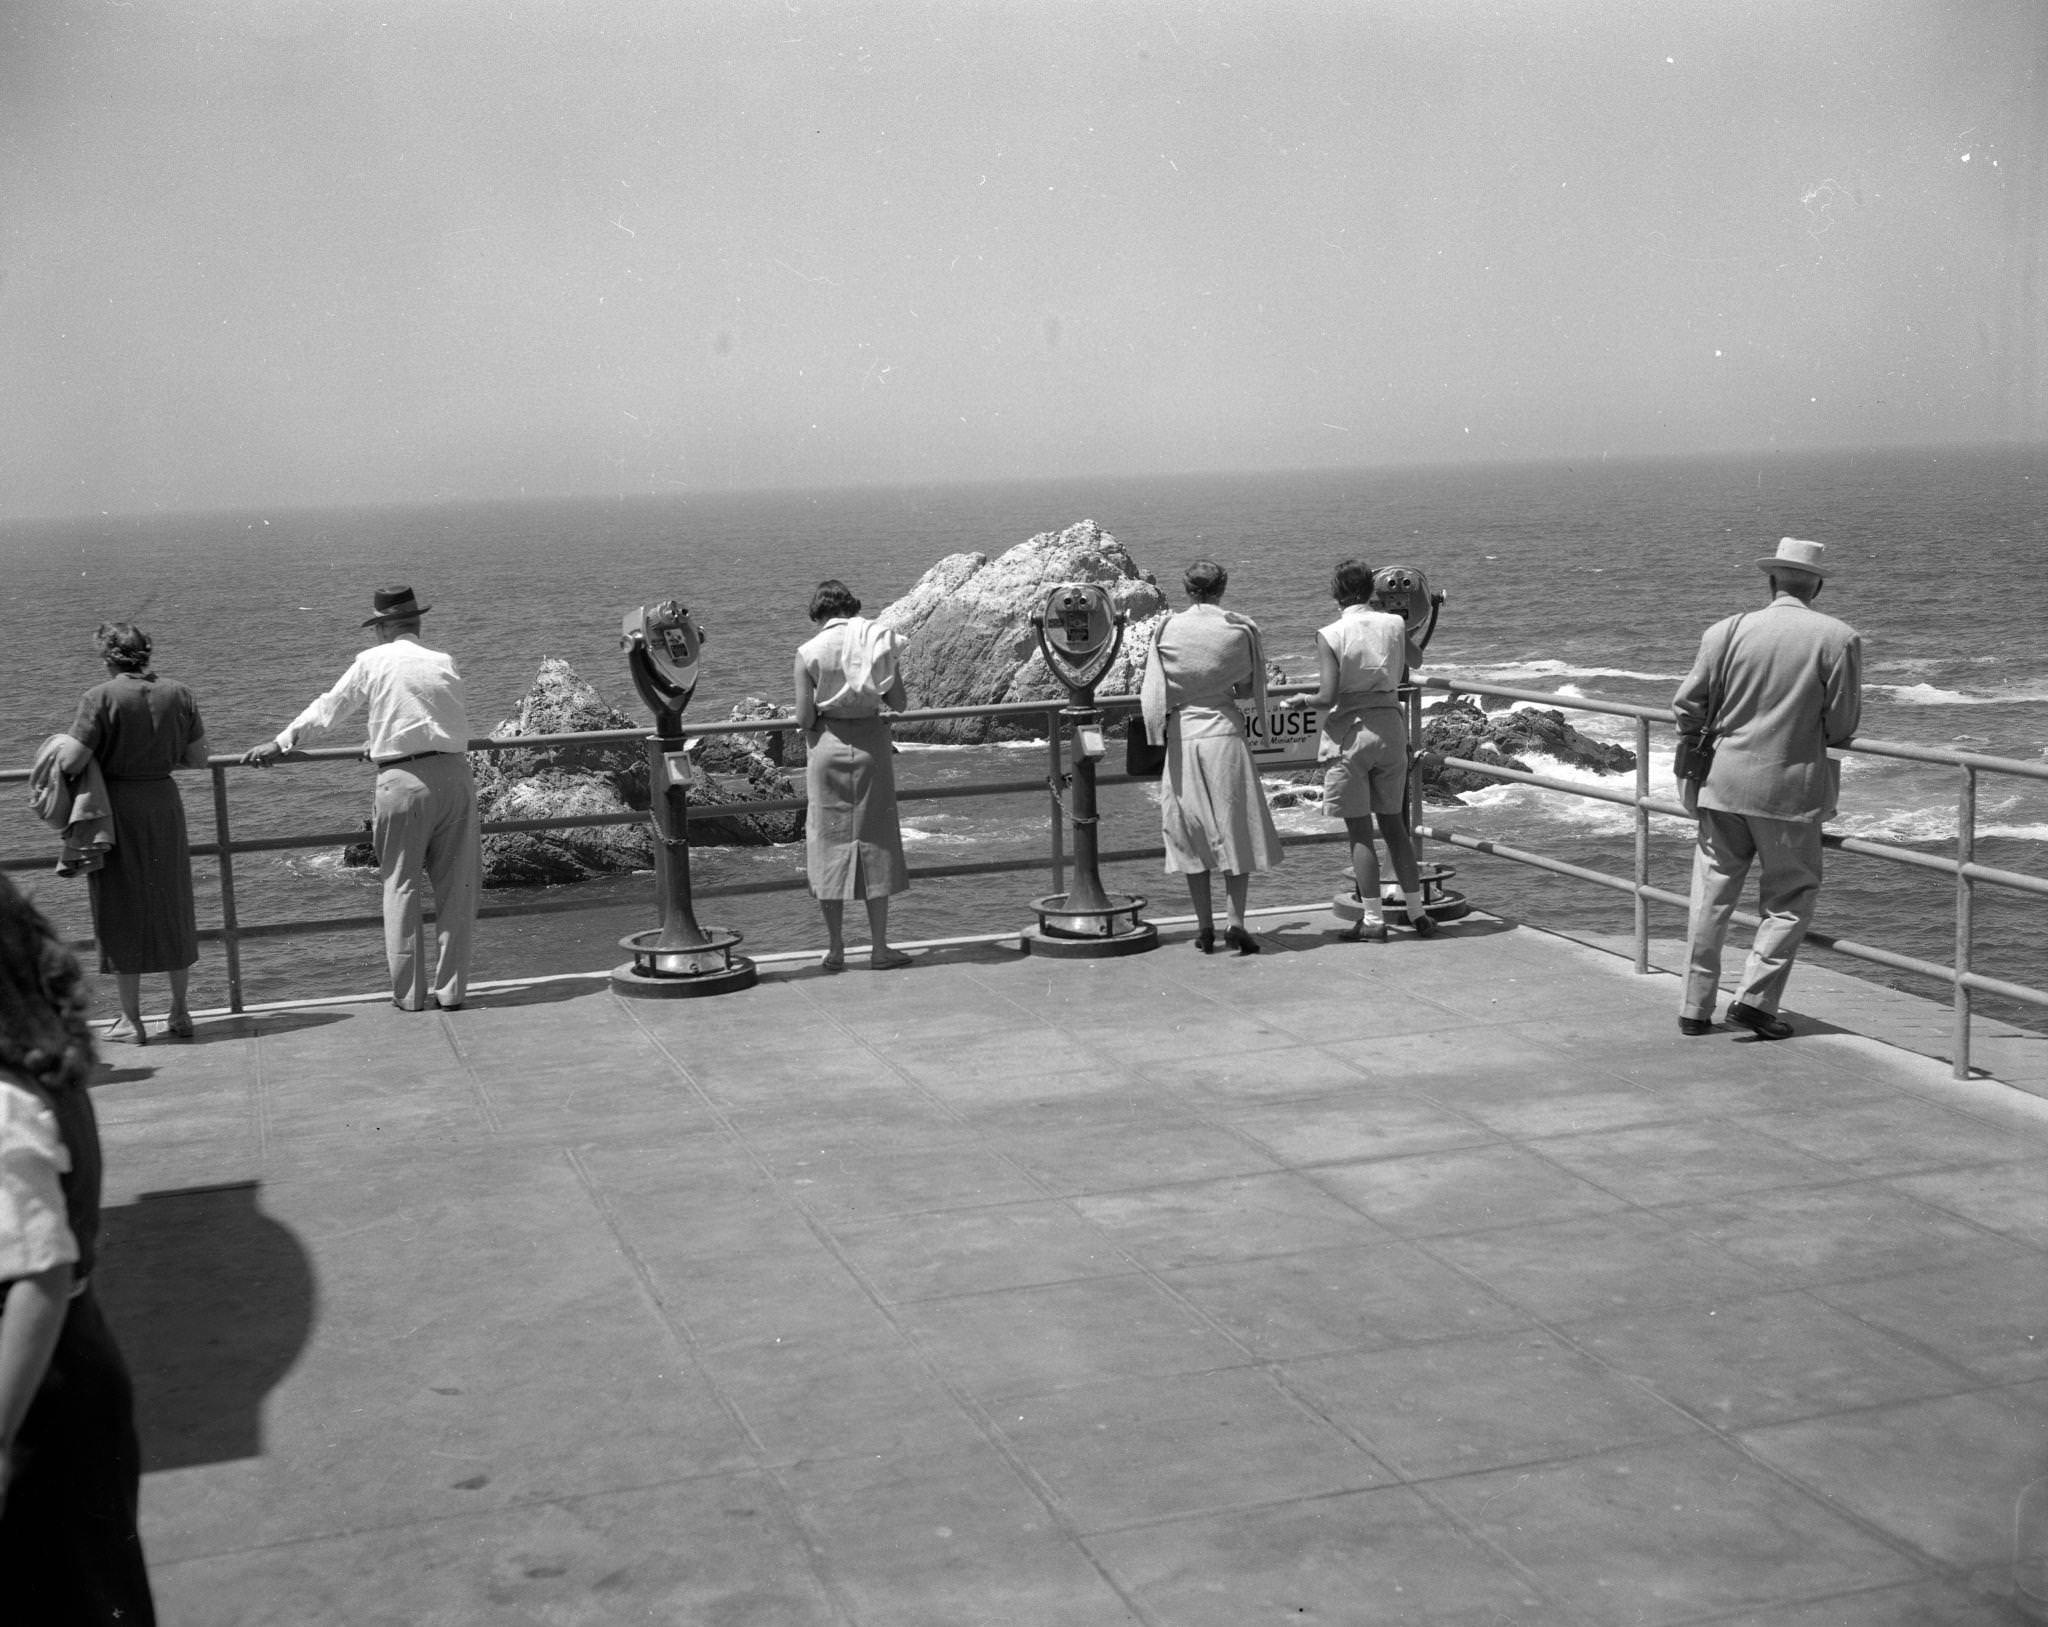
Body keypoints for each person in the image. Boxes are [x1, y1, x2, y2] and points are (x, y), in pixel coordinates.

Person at [0, 873, 158, 1624]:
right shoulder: (40, 1072)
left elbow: (39, 1268)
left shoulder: (5, 1101)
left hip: (44, 1398)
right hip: (81, 1373)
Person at [242, 586, 481, 1012]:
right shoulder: (443, 661)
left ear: (384, 626)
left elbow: (330, 708)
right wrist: (384, 739)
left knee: (402, 886)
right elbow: (433, 716)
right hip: (456, 776)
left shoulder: (371, 661)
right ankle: (452, 992)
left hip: (402, 781)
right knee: (457, 888)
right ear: (416, 622)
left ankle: (410, 996)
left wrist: (280, 743)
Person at [1674, 537, 1862, 1040]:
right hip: (1790, 790)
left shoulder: (1725, 631)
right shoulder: (1837, 638)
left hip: (1722, 784)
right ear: (1817, 584)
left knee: (1710, 899)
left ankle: (1694, 1007)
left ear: (1772, 580)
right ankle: (1755, 1001)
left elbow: (1688, 707)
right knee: (1790, 897)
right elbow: (1842, 725)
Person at [58, 623, 210, 1044]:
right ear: (147, 653)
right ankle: (180, 1013)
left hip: (116, 808)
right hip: (163, 804)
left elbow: (71, 761)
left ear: (107, 656)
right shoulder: (179, 693)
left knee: (120, 907)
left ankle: (131, 1020)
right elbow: (198, 758)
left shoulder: (99, 697)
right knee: (172, 904)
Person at [1284, 558, 1439, 941]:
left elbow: (1327, 696)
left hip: (1351, 735)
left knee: (1359, 832)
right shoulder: (1394, 624)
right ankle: (1418, 914)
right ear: (1373, 591)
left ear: (1335, 592)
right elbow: (1416, 660)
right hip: (1389, 727)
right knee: (1395, 827)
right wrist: (1418, 618)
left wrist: (1301, 701)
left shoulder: (1329, 633)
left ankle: (1373, 921)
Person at [1139, 561, 1285, 953]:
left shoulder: (1167, 629)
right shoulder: (1238, 628)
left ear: (1187, 589)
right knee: (1236, 828)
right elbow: (1249, 686)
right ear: (1222, 587)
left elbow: (1156, 690)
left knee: (1190, 832)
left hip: (1182, 737)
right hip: (1225, 734)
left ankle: (1204, 928)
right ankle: (1235, 922)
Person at [794, 580, 913, 971]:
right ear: (851, 607)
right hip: (872, 748)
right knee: (876, 843)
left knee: (827, 844)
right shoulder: (876, 642)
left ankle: (836, 949)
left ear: (819, 614)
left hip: (828, 747)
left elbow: (804, 718)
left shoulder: (808, 652)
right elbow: (898, 702)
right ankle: (879, 949)